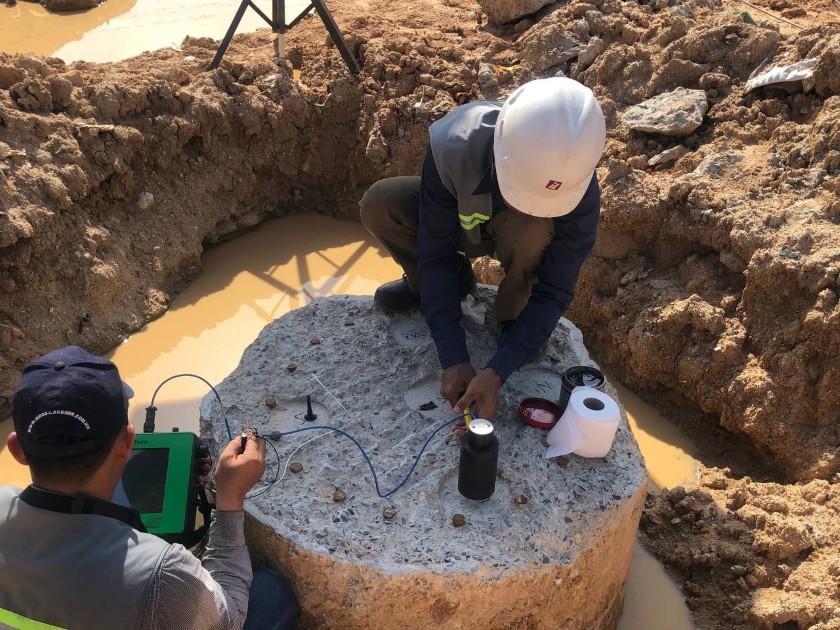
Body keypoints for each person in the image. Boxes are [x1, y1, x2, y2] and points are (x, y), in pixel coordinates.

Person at [360, 77, 606, 424]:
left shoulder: (577, 184)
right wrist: (452, 355)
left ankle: (516, 316)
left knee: (532, 228)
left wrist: (499, 368)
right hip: (463, 222)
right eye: (522, 191)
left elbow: (556, 289)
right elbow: (435, 254)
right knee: (382, 202)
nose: (526, 204)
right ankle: (455, 288)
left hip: (520, 240)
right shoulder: (454, 146)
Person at [0, 345, 300, 630]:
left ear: (17, 450)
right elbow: (227, 619)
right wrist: (229, 499)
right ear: (127, 443)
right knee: (271, 596)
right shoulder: (160, 574)